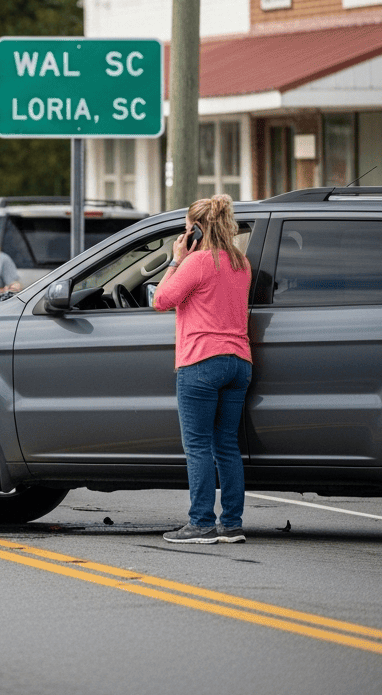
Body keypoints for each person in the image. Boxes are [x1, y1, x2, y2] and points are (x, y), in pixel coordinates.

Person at [153, 194, 252, 545]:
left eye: (185, 228)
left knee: (196, 446)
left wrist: (175, 260)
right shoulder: (242, 263)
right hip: (239, 363)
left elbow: (161, 300)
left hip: (201, 362)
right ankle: (232, 524)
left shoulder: (195, 262)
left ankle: (200, 523)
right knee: (226, 445)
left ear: (195, 229)